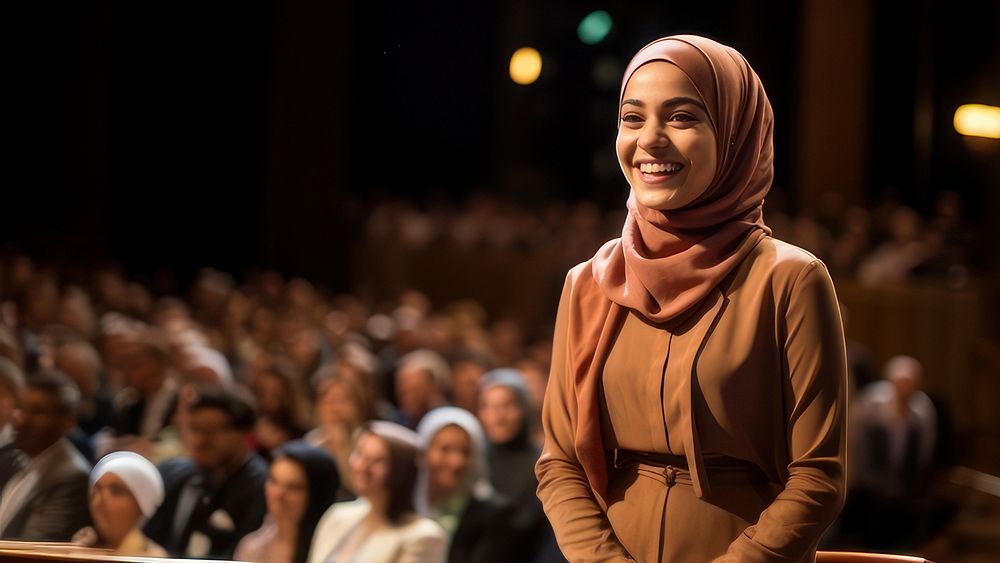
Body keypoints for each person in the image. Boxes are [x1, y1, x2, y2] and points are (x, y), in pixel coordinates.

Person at [535, 35, 848, 562]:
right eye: (632, 118)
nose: (650, 140)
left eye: (681, 118)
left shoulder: (791, 281)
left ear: (735, 135)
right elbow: (559, 461)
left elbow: (819, 476)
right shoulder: (588, 281)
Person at [143, 385, 268, 558]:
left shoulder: (262, 487)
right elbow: (149, 540)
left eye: (211, 431)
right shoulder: (178, 476)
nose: (200, 441)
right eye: (195, 429)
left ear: (242, 433)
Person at [309, 421, 446, 563]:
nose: (362, 467)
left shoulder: (423, 536)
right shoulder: (338, 515)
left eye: (377, 461)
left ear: (401, 471)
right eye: (360, 454)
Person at [0, 370, 92, 541]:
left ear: (67, 421)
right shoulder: (12, 460)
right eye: (21, 408)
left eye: (37, 412)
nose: (23, 420)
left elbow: (34, 547)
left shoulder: (72, 477)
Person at [415, 406, 514, 563]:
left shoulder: (493, 516)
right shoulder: (404, 505)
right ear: (424, 452)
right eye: (445, 449)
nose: (456, 462)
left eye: (465, 452)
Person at [235, 441, 340, 563]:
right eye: (274, 481)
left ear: (318, 495)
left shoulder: (333, 548)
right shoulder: (252, 547)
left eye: (293, 487)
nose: (278, 494)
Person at [72, 451, 167, 556]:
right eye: (97, 489)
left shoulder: (153, 557)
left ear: (141, 505)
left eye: (116, 491)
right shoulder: (81, 545)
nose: (101, 499)